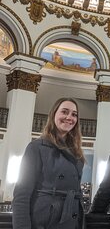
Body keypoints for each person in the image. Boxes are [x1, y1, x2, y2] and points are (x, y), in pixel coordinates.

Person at [12, 98, 85, 229]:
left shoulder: (77, 153)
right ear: (53, 114)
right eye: (65, 112)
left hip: (71, 220)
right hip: (45, 221)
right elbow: (22, 194)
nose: (69, 117)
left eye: (74, 114)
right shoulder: (36, 147)